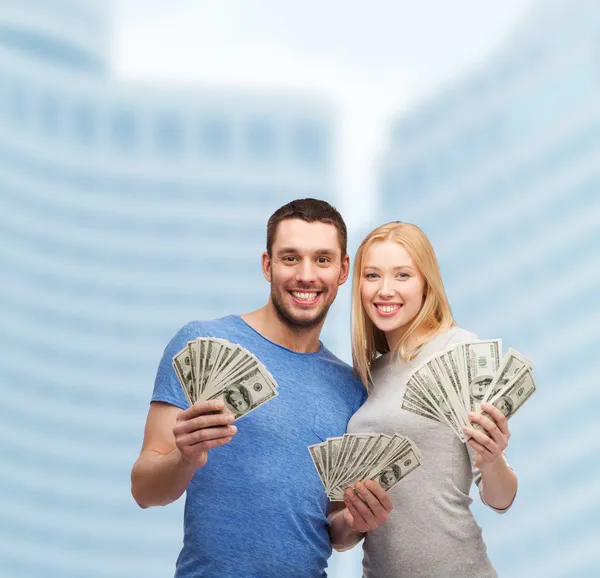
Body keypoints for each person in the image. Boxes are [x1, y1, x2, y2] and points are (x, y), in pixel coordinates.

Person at [130, 199, 393, 578]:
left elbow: (335, 528)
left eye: (322, 259)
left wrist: (356, 521)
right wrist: (184, 458)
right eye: (290, 258)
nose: (306, 275)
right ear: (268, 265)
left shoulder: (351, 388)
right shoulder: (201, 343)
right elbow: (144, 491)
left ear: (343, 270)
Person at [345, 221, 518, 578]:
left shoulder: (459, 350)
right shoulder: (368, 376)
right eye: (372, 275)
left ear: (426, 283)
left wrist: (493, 458)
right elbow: (346, 531)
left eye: (402, 275)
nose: (385, 290)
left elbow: (500, 499)